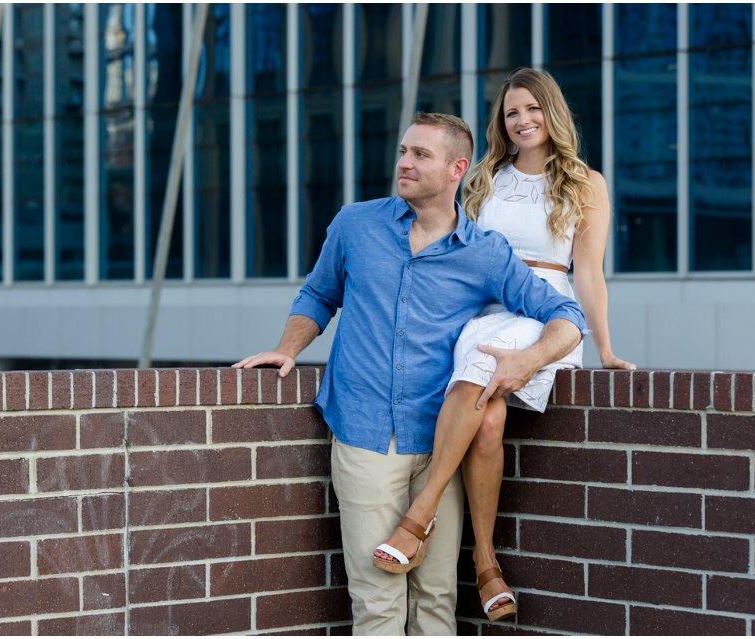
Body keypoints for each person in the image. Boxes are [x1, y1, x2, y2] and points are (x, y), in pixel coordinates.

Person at [234, 112, 586, 635]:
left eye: (421, 155)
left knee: (437, 600)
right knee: (377, 601)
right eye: (403, 151)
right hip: (364, 435)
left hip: (440, 446)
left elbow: (567, 316)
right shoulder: (355, 224)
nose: (404, 162)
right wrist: (288, 348)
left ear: (456, 169)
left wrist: (528, 360)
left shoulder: (484, 253)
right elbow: (319, 293)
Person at [372, 68, 636, 622]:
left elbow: (588, 273)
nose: (522, 121)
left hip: (545, 314)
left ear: (552, 112)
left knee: (476, 379)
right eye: (512, 112)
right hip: (487, 311)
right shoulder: (486, 175)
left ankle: (419, 514)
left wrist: (607, 349)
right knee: (487, 420)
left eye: (533, 109)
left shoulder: (586, 182)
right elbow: (461, 252)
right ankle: (486, 563)